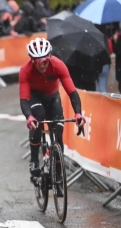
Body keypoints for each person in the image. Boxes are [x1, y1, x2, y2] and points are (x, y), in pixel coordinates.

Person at [18, 38, 86, 183]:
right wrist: (29, 117)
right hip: (35, 97)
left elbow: (72, 92)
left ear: (50, 56)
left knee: (58, 132)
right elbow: (24, 98)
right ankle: (34, 159)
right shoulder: (25, 70)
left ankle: (58, 173)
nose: (42, 65)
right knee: (38, 117)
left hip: (53, 97)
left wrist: (78, 113)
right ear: (31, 60)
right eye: (37, 62)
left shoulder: (58, 65)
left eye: (44, 61)